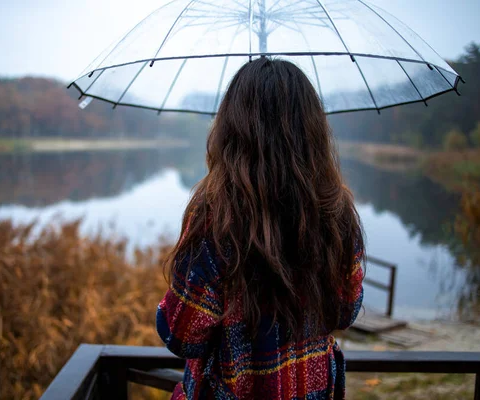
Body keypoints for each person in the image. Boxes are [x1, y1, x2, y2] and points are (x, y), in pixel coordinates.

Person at [156, 57, 364, 400]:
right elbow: (346, 310)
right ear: (312, 128)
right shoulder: (336, 209)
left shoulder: (215, 215)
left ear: (230, 127)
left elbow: (182, 334)